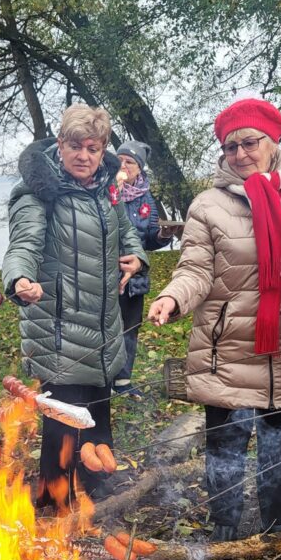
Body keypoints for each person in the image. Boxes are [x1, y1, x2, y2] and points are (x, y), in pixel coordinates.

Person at [148, 98, 281, 542]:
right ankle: (224, 535)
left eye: (250, 143)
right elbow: (194, 269)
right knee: (225, 454)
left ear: (273, 143)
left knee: (279, 452)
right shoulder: (208, 204)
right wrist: (172, 299)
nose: (241, 154)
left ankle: (276, 533)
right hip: (227, 350)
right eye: (231, 148)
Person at [2, 104, 147, 504]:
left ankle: (97, 506)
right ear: (60, 145)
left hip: (103, 330)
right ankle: (54, 510)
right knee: (64, 429)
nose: (84, 156)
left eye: (93, 148)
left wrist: (137, 258)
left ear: (102, 151)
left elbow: (128, 235)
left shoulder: (107, 191)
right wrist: (19, 280)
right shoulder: (38, 193)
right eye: (75, 147)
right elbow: (23, 246)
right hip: (59, 331)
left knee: (98, 424)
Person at [113, 140, 177, 400]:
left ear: (139, 168)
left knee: (130, 327)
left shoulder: (146, 197)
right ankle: (101, 378)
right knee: (106, 327)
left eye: (130, 162)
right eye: (120, 160)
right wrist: (112, 192)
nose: (124, 166)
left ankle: (122, 380)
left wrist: (162, 236)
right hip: (106, 273)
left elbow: (149, 238)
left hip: (135, 276)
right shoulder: (105, 190)